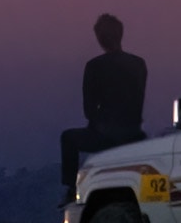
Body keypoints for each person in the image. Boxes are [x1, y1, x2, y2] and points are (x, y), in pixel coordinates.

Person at [60, 14, 148, 193]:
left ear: (100, 38)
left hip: (106, 136)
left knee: (67, 138)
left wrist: (100, 123)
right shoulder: (139, 64)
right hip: (134, 133)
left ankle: (71, 189)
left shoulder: (94, 66)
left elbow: (89, 111)